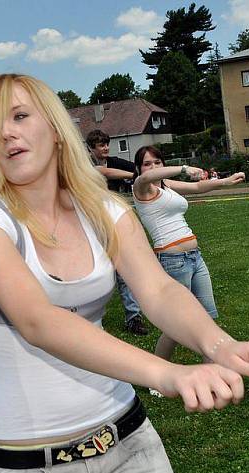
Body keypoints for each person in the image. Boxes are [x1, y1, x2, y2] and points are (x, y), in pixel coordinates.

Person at [0, 73, 249, 473]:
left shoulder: (104, 210)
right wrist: (167, 372)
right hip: (30, 466)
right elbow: (38, 321)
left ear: (54, 127)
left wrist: (219, 345)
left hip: (127, 437)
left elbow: (159, 290)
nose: (5, 132)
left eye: (19, 116)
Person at [132, 145, 245, 397]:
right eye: (147, 163)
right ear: (139, 168)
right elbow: (148, 177)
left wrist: (224, 182)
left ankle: (212, 377)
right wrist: (184, 167)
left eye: (157, 162)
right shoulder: (141, 187)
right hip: (173, 260)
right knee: (175, 325)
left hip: (194, 257)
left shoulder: (165, 185)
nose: (152, 168)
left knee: (207, 317)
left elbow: (196, 188)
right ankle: (156, 378)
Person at [86, 129, 148, 336]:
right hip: (91, 225)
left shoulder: (115, 161)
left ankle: (133, 318)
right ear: (91, 148)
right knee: (96, 273)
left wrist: (145, 172)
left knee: (124, 272)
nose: (105, 148)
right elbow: (103, 173)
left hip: (115, 223)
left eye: (106, 144)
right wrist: (134, 175)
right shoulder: (84, 165)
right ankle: (92, 320)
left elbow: (138, 171)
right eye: (100, 145)